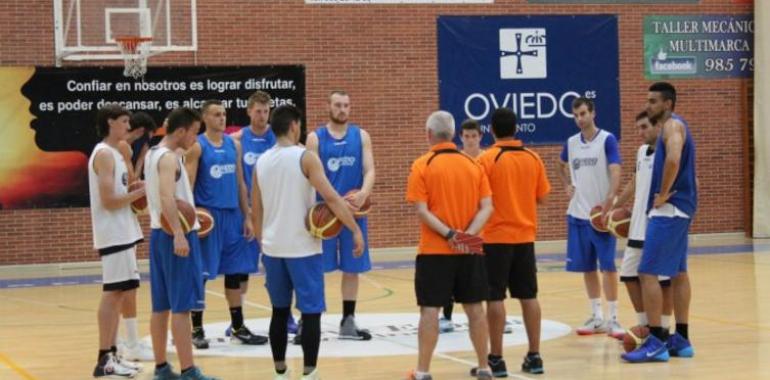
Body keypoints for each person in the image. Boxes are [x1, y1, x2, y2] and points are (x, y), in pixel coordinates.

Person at [252, 105, 364, 380]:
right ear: (293, 126)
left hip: (273, 248)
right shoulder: (306, 158)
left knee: (279, 312)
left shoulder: (261, 161)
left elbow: (257, 211)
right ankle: (309, 373)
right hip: (303, 249)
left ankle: (280, 372)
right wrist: (355, 229)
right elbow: (332, 198)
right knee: (311, 313)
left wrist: (262, 245)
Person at [405, 111, 494, 380]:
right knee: (475, 308)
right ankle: (484, 367)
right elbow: (487, 207)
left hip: (435, 251)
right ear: (454, 135)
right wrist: (466, 236)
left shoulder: (422, 165)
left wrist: (450, 235)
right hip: (469, 248)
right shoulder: (473, 165)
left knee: (430, 310)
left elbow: (422, 210)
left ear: (429, 134)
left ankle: (423, 371)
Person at [623, 82, 697, 363]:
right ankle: (682, 338)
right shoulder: (674, 126)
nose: (649, 105)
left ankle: (656, 342)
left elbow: (674, 159)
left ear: (667, 104)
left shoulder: (671, 126)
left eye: (653, 101)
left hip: (670, 209)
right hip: (682, 208)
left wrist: (663, 193)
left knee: (647, 273)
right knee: (678, 273)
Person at [473, 108, 550, 376]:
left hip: (495, 239)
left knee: (495, 297)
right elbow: (542, 197)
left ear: (491, 131)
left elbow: (478, 200)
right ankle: (535, 356)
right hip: (525, 237)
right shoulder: (533, 158)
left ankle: (496, 358)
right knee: (529, 296)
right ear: (516, 129)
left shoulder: (486, 159)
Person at [144, 106, 219, 380]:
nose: (196, 139)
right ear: (180, 131)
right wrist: (178, 232)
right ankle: (188, 371)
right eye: (194, 133)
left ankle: (162, 368)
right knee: (182, 306)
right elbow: (166, 197)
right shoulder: (169, 160)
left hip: (157, 236)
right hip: (174, 237)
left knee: (160, 306)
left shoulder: (154, 153)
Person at [184, 100, 266, 348]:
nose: (222, 118)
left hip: (233, 216)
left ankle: (238, 327)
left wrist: (248, 215)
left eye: (224, 114)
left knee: (235, 272)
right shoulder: (197, 147)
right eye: (216, 114)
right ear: (205, 119)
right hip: (209, 218)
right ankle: (196, 329)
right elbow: (187, 186)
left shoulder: (235, 145)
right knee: (203, 275)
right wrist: (193, 217)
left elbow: (241, 183)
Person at [305, 90, 375, 340]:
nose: (342, 109)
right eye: (337, 105)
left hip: (353, 213)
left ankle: (348, 321)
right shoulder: (315, 138)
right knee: (314, 269)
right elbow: (310, 178)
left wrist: (364, 193)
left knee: (352, 267)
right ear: (328, 106)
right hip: (325, 215)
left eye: (346, 105)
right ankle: (308, 320)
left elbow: (369, 170)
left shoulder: (361, 136)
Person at [231, 91, 298, 335]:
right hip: (248, 213)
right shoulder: (237, 140)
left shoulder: (279, 138)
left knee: (277, 267)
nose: (262, 116)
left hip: (276, 213)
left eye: (266, 111)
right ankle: (237, 319)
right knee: (241, 269)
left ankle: (286, 314)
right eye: (257, 111)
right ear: (248, 111)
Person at [556, 97, 624, 338]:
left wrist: (610, 199)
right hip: (577, 214)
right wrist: (566, 185)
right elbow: (560, 165)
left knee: (608, 267)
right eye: (576, 115)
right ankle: (596, 317)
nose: (580, 119)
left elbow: (616, 170)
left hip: (601, 216)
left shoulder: (607, 139)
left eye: (583, 113)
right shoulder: (571, 142)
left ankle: (613, 318)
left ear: (593, 113)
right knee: (587, 268)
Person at [88, 104, 147, 378]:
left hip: (125, 230)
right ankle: (103, 359)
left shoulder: (117, 153)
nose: (128, 126)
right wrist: (142, 192)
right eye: (124, 121)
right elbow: (109, 201)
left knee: (121, 293)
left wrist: (135, 189)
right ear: (110, 123)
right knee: (112, 294)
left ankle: (112, 355)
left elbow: (120, 193)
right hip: (113, 232)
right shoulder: (104, 154)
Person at [613, 111, 674, 332]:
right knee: (629, 275)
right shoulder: (641, 151)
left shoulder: (669, 153)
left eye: (644, 127)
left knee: (663, 281)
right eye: (638, 127)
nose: (640, 132)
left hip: (657, 226)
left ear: (658, 127)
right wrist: (615, 204)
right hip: (637, 228)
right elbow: (635, 182)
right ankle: (644, 324)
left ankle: (664, 328)